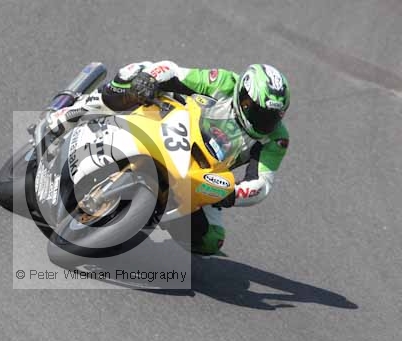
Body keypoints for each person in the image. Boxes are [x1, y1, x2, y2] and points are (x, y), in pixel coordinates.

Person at [47, 61, 291, 255]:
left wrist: (231, 194)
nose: (264, 122)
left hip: (202, 171)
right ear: (243, 96)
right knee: (133, 76)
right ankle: (72, 112)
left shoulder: (276, 139)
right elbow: (173, 71)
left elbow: (262, 184)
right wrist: (150, 79)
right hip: (173, 124)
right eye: (258, 112)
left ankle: (136, 220)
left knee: (211, 240)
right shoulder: (224, 82)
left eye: (271, 118)